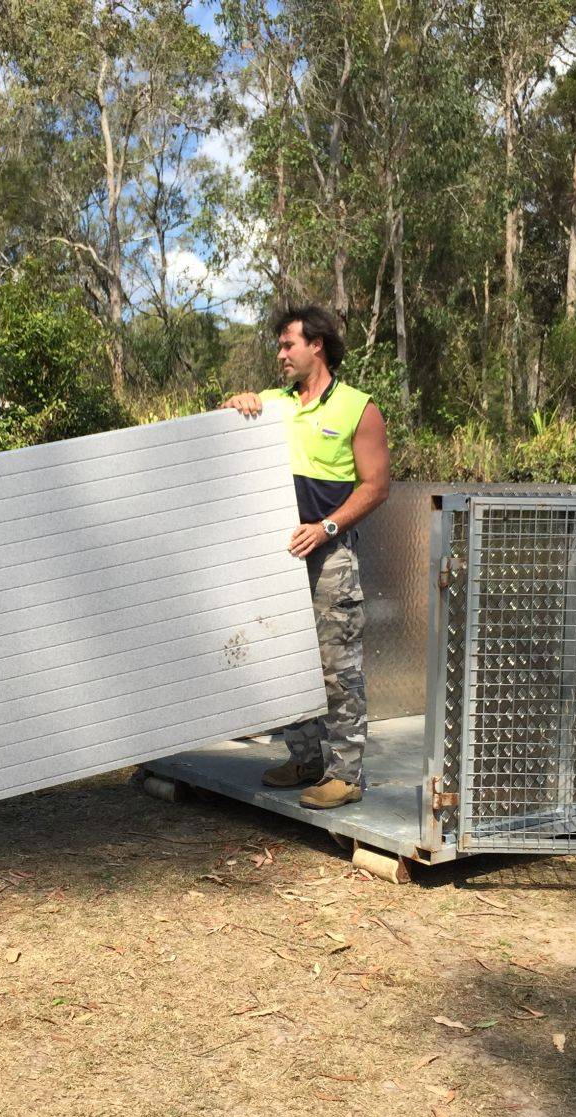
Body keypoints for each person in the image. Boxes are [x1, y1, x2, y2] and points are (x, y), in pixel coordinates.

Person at [222, 306, 390, 809]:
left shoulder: (358, 408)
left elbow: (377, 486)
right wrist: (234, 404)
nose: (280, 355)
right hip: (275, 561)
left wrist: (326, 528)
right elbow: (218, 434)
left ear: (317, 345)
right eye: (278, 347)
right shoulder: (272, 405)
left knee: (336, 668)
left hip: (329, 557)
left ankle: (345, 775)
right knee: (282, 659)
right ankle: (304, 758)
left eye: (287, 345)